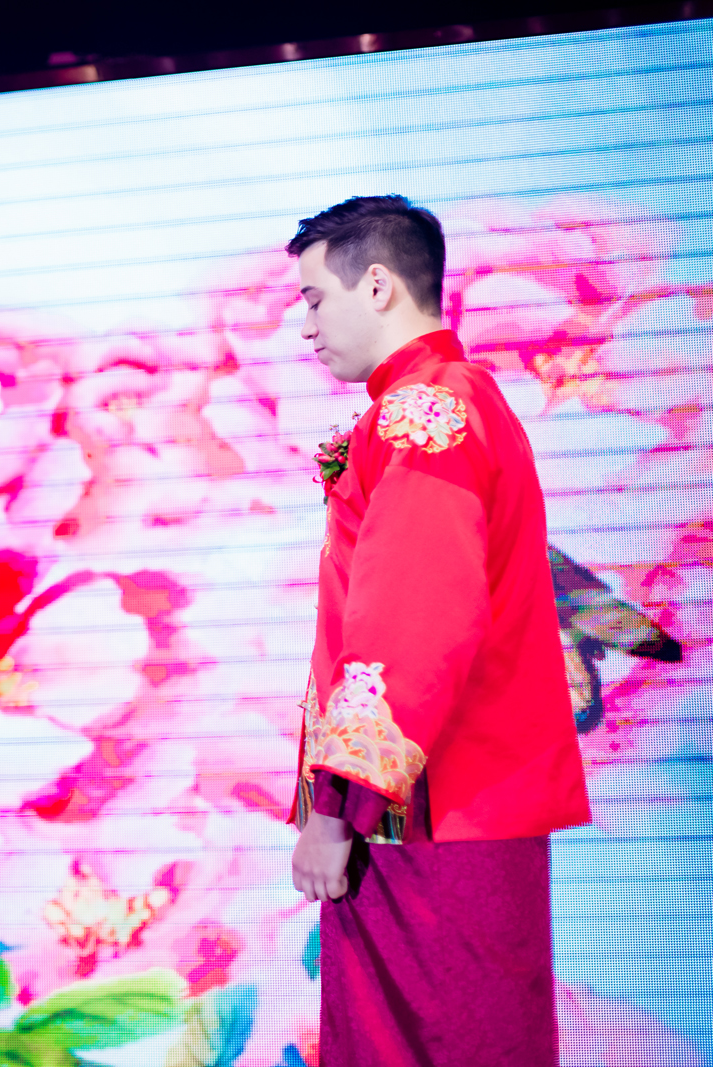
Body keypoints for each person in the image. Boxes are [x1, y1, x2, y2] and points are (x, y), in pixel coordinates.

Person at [285, 195, 591, 1065]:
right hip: (448, 806)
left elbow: (412, 619)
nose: (306, 327)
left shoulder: (427, 414)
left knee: (431, 1044)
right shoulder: (452, 401)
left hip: (432, 812)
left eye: (315, 299)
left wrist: (338, 808)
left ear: (378, 285)